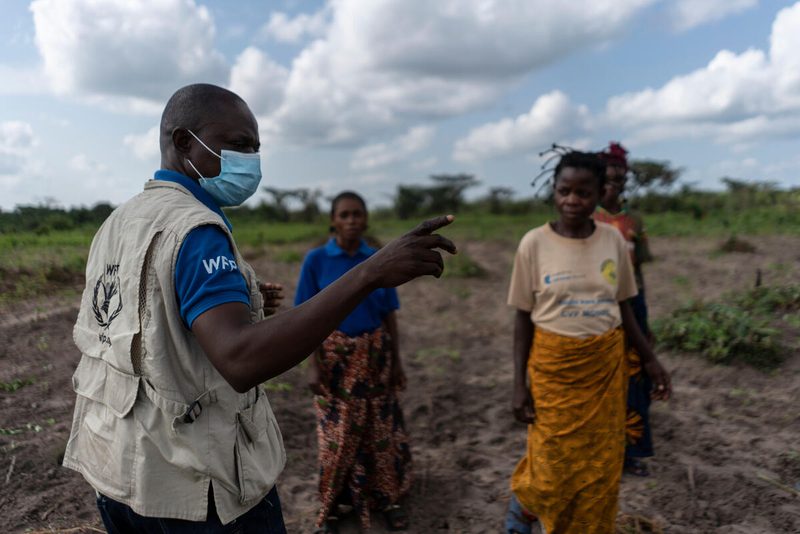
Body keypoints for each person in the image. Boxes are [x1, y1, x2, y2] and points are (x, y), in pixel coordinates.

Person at [62, 83, 456, 534]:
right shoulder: (196, 230)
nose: (251, 161)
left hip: (118, 470)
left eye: (256, 148)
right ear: (184, 142)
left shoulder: (118, 221)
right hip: (195, 489)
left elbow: (149, 321)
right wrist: (369, 273)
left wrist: (242, 301)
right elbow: (240, 359)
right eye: (239, 145)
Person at [504, 150, 671, 534]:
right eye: (565, 191)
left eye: (583, 192)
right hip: (553, 371)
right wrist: (518, 384)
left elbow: (625, 306)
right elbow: (522, 317)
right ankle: (520, 518)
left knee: (599, 465)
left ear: (599, 194)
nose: (572, 201)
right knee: (549, 465)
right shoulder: (533, 244)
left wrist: (650, 360)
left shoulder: (613, 239)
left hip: (605, 370)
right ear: (554, 191)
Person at [295, 192, 410, 533]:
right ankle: (332, 507)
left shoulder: (376, 259)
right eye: (344, 215)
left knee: (380, 435)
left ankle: (387, 500)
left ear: (366, 219)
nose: (352, 221)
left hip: (375, 360)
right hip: (335, 365)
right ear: (333, 220)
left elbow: (389, 316)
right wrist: (313, 364)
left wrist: (397, 362)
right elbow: (305, 318)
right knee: (337, 438)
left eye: (357, 214)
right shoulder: (316, 261)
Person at [594, 142, 657, 477]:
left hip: (632, 301)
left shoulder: (633, 220)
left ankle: (629, 451)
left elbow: (640, 271)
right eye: (610, 171)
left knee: (635, 375)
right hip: (597, 304)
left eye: (621, 172)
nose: (616, 178)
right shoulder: (588, 218)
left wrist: (644, 315)